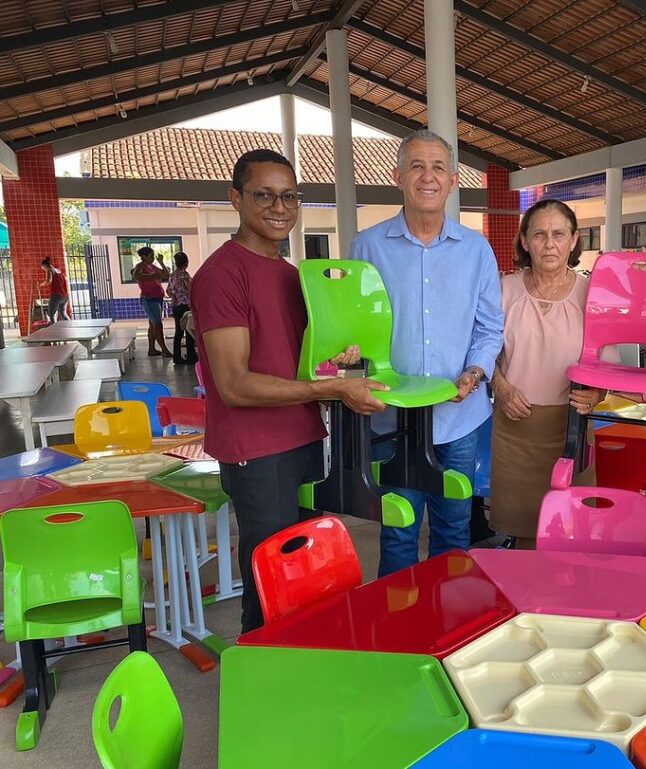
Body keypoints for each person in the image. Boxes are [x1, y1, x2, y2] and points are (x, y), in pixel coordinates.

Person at [190, 148, 387, 632]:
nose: (280, 208)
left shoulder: (292, 275)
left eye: (290, 197)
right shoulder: (222, 275)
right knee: (268, 574)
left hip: (300, 439)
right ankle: (257, 684)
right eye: (265, 196)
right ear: (236, 199)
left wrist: (336, 366)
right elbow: (234, 385)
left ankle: (294, 667)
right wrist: (338, 388)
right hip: (256, 453)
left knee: (301, 568)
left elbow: (301, 363)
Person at [350, 129, 503, 576]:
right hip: (392, 418)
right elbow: (355, 327)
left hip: (458, 418)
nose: (427, 177)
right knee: (398, 529)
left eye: (438, 167)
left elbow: (490, 327)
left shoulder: (476, 249)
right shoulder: (368, 246)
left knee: (454, 529)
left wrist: (473, 375)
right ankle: (397, 637)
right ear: (398, 176)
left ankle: (445, 628)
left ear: (453, 181)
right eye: (416, 166)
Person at [489, 199, 609, 549]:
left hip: (570, 428)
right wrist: (502, 388)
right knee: (525, 533)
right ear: (525, 241)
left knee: (571, 532)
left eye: (559, 234)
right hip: (514, 427)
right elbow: (483, 352)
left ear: (574, 240)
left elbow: (608, 364)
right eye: (539, 234)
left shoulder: (592, 295)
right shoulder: (504, 290)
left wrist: (597, 394)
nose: (549, 243)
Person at [131, 246, 172, 357]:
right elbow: (136, 275)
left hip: (157, 298)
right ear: (144, 256)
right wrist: (152, 276)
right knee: (158, 325)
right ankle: (164, 349)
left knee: (152, 325)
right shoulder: (140, 266)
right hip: (149, 299)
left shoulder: (152, 266)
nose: (153, 258)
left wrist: (161, 262)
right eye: (151, 256)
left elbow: (166, 275)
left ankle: (152, 349)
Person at [167, 251, 197, 365]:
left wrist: (174, 297)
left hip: (176, 306)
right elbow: (189, 288)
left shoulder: (172, 275)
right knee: (189, 331)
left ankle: (177, 358)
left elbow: (168, 290)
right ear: (186, 263)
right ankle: (191, 357)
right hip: (186, 306)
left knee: (178, 332)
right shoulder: (184, 275)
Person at [39, 257, 70, 322]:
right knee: (63, 314)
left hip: (56, 296)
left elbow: (48, 281)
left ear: (44, 266)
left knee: (52, 315)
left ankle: (54, 331)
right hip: (65, 296)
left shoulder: (49, 270)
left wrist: (40, 285)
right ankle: (71, 326)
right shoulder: (58, 271)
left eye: (43, 268)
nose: (43, 269)